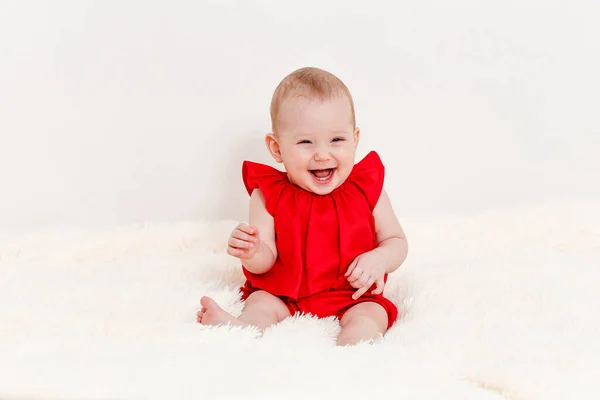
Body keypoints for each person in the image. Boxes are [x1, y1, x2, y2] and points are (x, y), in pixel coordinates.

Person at [197, 67, 408, 346]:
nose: (322, 153)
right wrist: (252, 252)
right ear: (276, 148)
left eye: (337, 140)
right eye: (305, 142)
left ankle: (354, 348)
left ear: (355, 139)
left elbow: (396, 241)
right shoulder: (267, 195)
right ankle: (241, 329)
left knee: (371, 314)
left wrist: (379, 259)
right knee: (260, 302)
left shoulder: (367, 189)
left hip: (352, 294)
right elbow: (265, 261)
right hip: (284, 293)